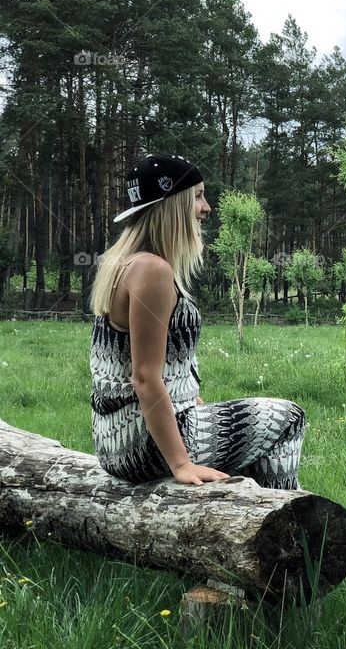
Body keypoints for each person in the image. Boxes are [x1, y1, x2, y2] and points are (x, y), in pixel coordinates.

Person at [89, 152, 306, 489]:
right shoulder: (152, 270)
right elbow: (144, 378)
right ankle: (284, 513)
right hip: (145, 446)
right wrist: (181, 463)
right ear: (172, 205)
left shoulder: (122, 262)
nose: (207, 208)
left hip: (114, 439)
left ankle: (249, 507)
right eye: (198, 196)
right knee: (288, 417)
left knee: (252, 437)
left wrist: (189, 399)